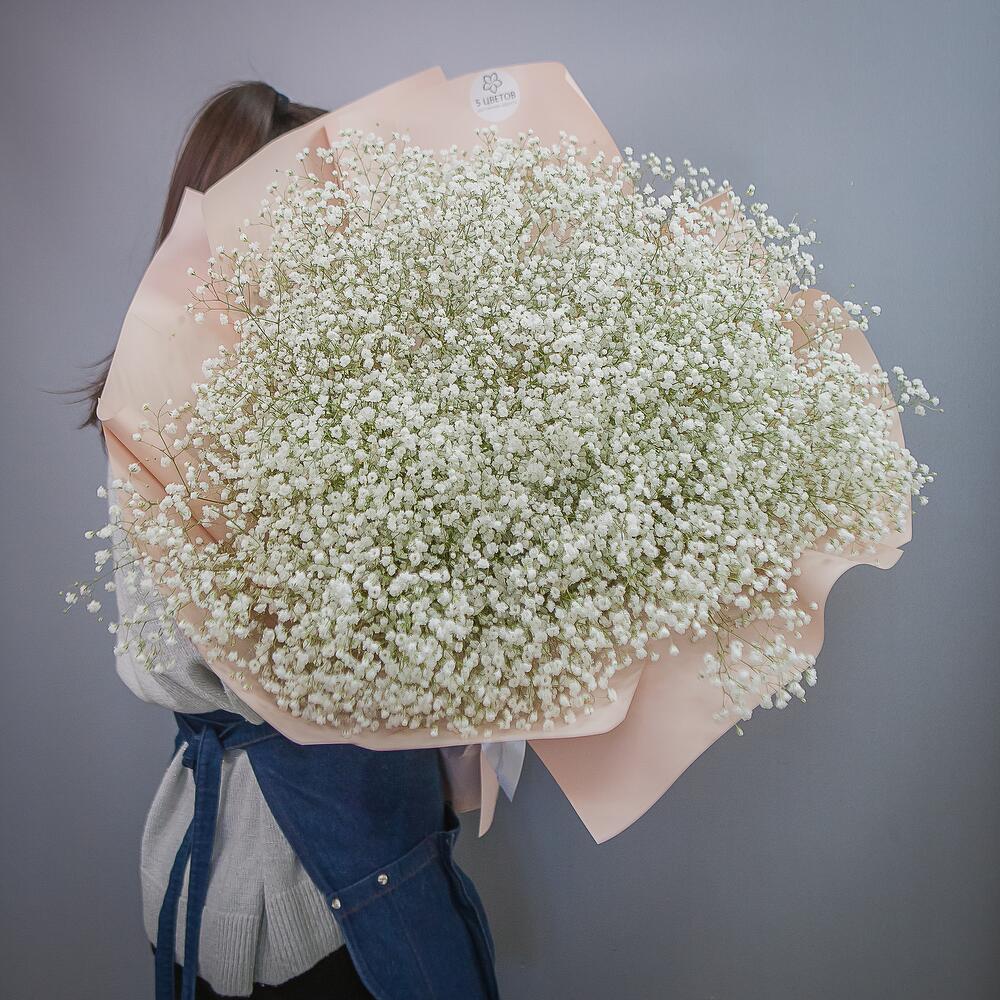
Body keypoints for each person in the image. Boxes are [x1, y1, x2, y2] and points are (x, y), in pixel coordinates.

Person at [82, 81, 499, 1000]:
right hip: (295, 895)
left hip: (314, 867)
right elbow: (199, 656)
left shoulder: (335, 392)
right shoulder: (170, 419)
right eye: (311, 208)